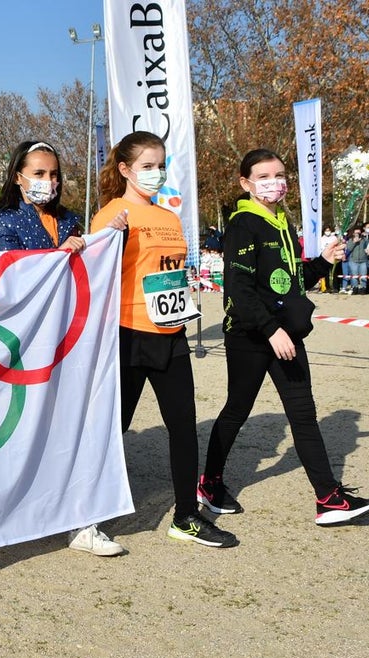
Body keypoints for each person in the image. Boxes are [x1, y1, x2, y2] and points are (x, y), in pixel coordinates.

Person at [200, 149, 369, 530]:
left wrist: (322, 262)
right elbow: (239, 288)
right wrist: (270, 330)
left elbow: (291, 283)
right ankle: (209, 482)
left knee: (303, 414)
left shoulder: (282, 219)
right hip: (252, 336)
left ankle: (329, 498)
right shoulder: (242, 224)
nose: (274, 182)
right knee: (237, 409)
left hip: (286, 334)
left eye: (279, 174)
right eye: (264, 176)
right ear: (245, 183)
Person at [92, 131, 238, 549]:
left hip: (171, 333)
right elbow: (94, 275)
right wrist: (112, 237)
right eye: (147, 166)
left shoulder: (170, 218)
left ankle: (186, 516)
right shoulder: (113, 214)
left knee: (183, 425)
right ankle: (88, 514)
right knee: (113, 427)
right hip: (129, 333)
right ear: (125, 169)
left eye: (161, 166)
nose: (156, 173)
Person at [0, 140, 127, 556]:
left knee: (73, 428)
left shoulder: (70, 219)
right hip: (26, 346)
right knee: (27, 432)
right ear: (19, 177)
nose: (48, 181)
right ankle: (11, 515)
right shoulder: (4, 222)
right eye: (39, 173)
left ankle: (80, 519)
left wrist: (107, 239)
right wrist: (54, 256)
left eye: (54, 174)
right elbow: (7, 279)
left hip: (72, 341)